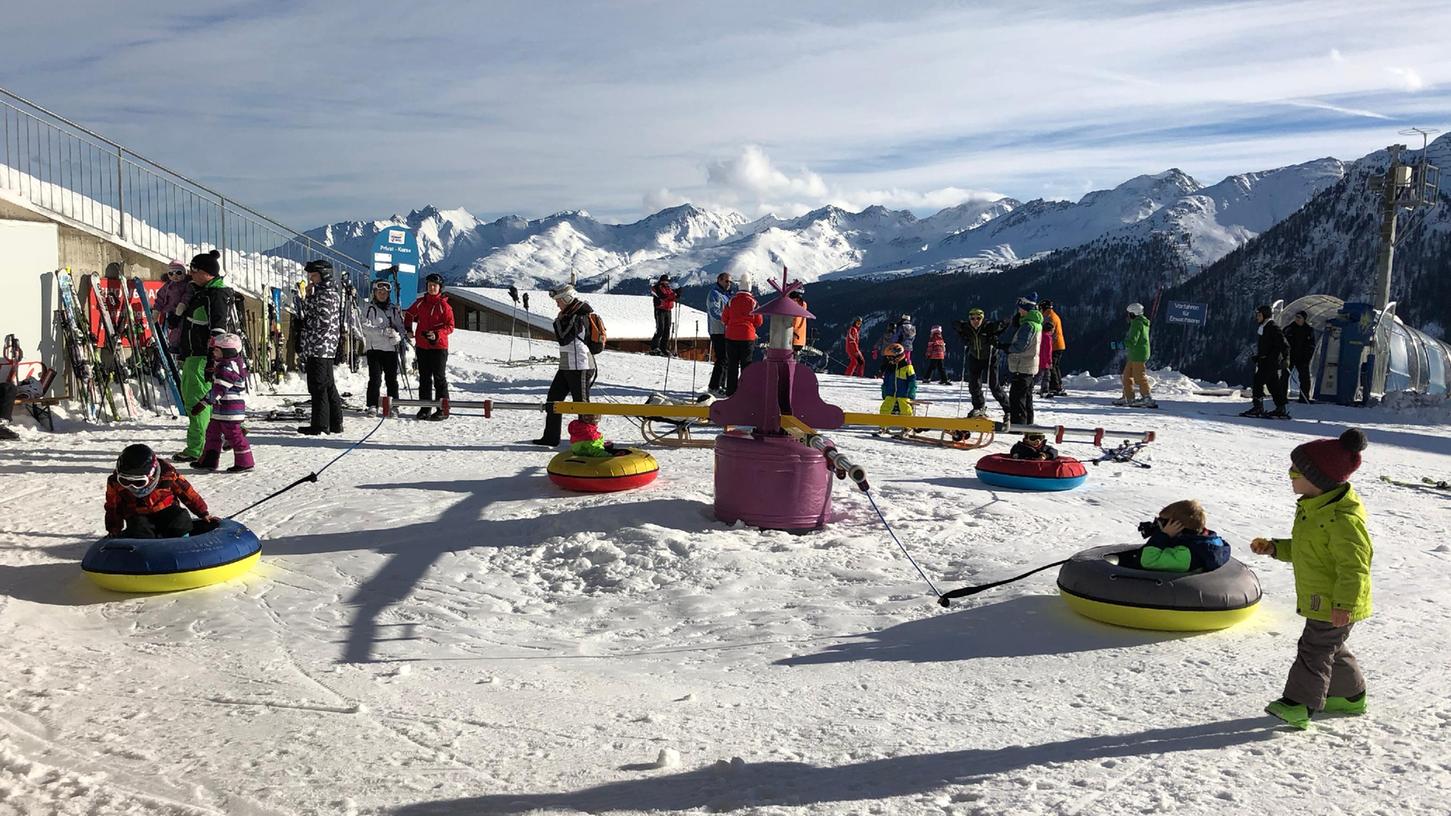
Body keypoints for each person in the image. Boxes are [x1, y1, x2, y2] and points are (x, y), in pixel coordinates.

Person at [1250, 428, 1372, 730]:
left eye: (1297, 470)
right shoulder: (1314, 509)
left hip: (1336, 600)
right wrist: (1277, 548)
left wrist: (1345, 604)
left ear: (1317, 478)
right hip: (1321, 598)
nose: (1290, 473)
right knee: (1330, 647)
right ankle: (1350, 695)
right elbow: (1310, 549)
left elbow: (1355, 567)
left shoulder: (1342, 520)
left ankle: (1299, 704)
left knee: (1314, 649)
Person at [176, 250, 230, 462]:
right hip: (193, 355)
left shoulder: (215, 295)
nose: (191, 274)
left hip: (201, 357)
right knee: (202, 400)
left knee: (196, 402)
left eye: (194, 270)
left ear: (206, 273)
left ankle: (198, 448)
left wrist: (212, 359)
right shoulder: (202, 292)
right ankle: (221, 437)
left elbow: (218, 328)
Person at [104, 443, 218, 539]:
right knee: (138, 527)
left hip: (166, 510)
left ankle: (183, 542)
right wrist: (114, 528)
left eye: (139, 482)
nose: (132, 486)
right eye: (125, 481)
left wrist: (203, 513)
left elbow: (186, 492)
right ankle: (146, 551)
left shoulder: (167, 475)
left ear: (151, 476)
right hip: (138, 514)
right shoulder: (115, 483)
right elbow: (113, 507)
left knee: (180, 518)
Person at [532, 285, 598, 446]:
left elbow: (563, 338)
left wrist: (558, 321)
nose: (557, 305)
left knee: (581, 404)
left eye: (559, 301)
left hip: (580, 366)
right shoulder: (571, 314)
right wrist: (561, 319)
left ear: (567, 299)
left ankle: (588, 439)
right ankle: (551, 437)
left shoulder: (577, 316)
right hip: (568, 365)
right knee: (553, 402)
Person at [192, 333, 253, 472]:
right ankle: (209, 460)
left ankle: (245, 462)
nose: (213, 352)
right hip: (221, 410)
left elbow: (218, 390)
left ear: (227, 352)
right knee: (212, 433)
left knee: (234, 436)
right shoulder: (227, 365)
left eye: (217, 350)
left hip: (230, 409)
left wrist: (203, 403)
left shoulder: (227, 368)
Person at [296, 259, 344, 435]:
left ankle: (320, 424)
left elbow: (321, 321)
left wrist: (307, 331)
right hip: (323, 346)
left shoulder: (325, 294)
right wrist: (308, 296)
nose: (311, 279)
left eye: (314, 275)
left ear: (324, 275)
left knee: (318, 387)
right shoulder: (325, 292)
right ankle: (335, 422)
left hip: (319, 346)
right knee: (328, 385)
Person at [1120, 500, 1229, 572]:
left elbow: (1147, 560)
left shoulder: (1185, 555)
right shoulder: (1202, 542)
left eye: (1163, 522)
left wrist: (1162, 536)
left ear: (1177, 526)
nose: (1159, 525)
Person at [405, 272, 455, 419]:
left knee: (439, 379)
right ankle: (425, 408)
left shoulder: (444, 306)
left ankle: (443, 410)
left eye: (435, 285)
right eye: (429, 285)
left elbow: (450, 326)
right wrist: (408, 329)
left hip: (439, 347)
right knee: (424, 378)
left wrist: (437, 334)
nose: (432, 288)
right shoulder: (420, 302)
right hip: (422, 346)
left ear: (440, 287)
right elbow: (408, 314)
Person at [360, 277, 407, 412]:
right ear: (374, 292)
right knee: (375, 378)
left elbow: (401, 328)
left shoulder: (393, 309)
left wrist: (398, 336)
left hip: (390, 349)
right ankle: (372, 405)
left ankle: (394, 405)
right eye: (379, 291)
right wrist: (383, 331)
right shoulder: (368, 308)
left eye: (385, 292)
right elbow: (365, 328)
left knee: (392, 379)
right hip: (374, 349)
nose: (382, 294)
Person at [953, 308, 1008, 419]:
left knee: (994, 386)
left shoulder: (989, 327)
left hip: (990, 359)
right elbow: (956, 326)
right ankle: (978, 407)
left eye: (978, 318)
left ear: (983, 319)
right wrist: (962, 336)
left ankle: (1008, 409)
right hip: (975, 358)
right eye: (972, 318)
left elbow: (1004, 324)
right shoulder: (967, 328)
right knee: (974, 385)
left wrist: (995, 338)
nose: (975, 321)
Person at [1242, 304, 1290, 418]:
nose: (1257, 317)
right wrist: (1259, 357)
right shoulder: (1264, 327)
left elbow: (1284, 344)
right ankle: (1280, 408)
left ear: (1265, 315)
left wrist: (1286, 358)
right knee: (1273, 385)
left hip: (1270, 362)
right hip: (1267, 361)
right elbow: (1269, 347)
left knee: (1258, 382)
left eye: (1259, 315)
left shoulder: (1272, 327)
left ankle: (1258, 407)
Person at [720, 273, 761, 396]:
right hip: (747, 337)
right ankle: (745, 391)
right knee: (746, 365)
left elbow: (724, 318)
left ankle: (731, 391)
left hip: (731, 336)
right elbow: (759, 321)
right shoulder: (754, 302)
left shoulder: (731, 301)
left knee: (732, 364)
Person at [1005, 296, 1042, 425]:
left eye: (1020, 309)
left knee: (1017, 398)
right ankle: (1028, 425)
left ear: (1025, 309)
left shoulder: (1028, 325)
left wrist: (1007, 347)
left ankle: (1018, 426)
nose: (1019, 311)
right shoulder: (1035, 323)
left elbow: (1021, 346)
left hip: (1023, 366)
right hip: (1030, 366)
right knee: (1027, 398)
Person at [1114, 302, 1155, 408]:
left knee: (1139, 377)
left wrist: (1119, 344)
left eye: (1129, 313)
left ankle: (1147, 398)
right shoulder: (1141, 322)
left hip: (1138, 354)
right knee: (1127, 376)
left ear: (1133, 314)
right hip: (1136, 353)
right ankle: (1128, 397)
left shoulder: (1137, 324)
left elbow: (1132, 341)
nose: (1127, 316)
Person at [152, 260, 193, 354]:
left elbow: (188, 295)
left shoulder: (187, 285)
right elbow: (160, 297)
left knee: (179, 329)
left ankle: (176, 345)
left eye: (178, 273)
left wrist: (182, 305)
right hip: (169, 312)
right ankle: (171, 343)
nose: (175, 276)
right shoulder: (168, 285)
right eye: (171, 273)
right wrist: (156, 310)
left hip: (181, 312)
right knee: (172, 328)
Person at [705, 272, 733, 394]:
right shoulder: (714, 293)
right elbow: (714, 311)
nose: (729, 284)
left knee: (726, 359)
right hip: (717, 331)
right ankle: (714, 386)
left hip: (726, 330)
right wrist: (727, 320)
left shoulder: (726, 295)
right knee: (722, 358)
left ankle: (721, 385)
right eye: (726, 281)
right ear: (719, 280)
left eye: (730, 282)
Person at [1285, 310, 1316, 404]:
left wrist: (1307, 357)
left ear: (1304, 319)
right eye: (1296, 317)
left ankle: (1304, 397)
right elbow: (1282, 341)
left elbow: (1311, 345)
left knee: (1304, 378)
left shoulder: (1309, 330)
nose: (1297, 319)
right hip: (1290, 357)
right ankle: (1281, 396)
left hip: (1302, 358)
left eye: (1299, 317)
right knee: (1284, 376)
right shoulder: (1289, 329)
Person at [878, 342, 916, 417]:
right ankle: (883, 424)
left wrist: (911, 392)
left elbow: (912, 381)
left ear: (898, 356)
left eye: (891, 358)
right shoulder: (889, 368)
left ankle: (907, 426)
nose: (889, 360)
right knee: (885, 408)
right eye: (888, 358)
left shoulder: (907, 367)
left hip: (904, 394)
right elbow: (886, 381)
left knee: (905, 409)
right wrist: (884, 390)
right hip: (891, 393)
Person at [1040, 299, 1067, 396]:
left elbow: (1047, 330)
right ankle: (1057, 385)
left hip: (1054, 345)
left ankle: (1055, 387)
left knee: (1052, 366)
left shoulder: (1048, 317)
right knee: (1055, 366)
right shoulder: (1054, 315)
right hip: (1059, 344)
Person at [650, 274, 677, 355]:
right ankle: (655, 347)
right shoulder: (657, 288)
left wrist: (677, 295)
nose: (666, 282)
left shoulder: (668, 288)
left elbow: (671, 297)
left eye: (667, 281)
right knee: (660, 329)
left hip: (668, 310)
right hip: (660, 310)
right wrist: (674, 294)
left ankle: (663, 348)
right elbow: (663, 296)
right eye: (665, 280)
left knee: (667, 330)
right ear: (661, 280)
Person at [1037, 313, 1057, 397]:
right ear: (1050, 330)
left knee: (1038, 376)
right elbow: (1048, 351)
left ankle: (1029, 387)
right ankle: (1044, 390)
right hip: (1045, 362)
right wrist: (1050, 362)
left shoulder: (1040, 335)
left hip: (1038, 359)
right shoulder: (1048, 338)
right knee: (1046, 376)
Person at [788, 289, 808, 356]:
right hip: (800, 339)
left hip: (792, 339)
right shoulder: (803, 304)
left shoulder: (793, 306)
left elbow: (795, 322)